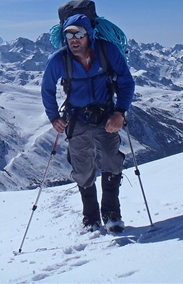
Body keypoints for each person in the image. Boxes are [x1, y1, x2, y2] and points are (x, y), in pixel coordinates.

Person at [41, 13, 135, 233]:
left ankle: (112, 213)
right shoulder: (59, 59)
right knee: (82, 171)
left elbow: (126, 81)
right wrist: (54, 117)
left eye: (79, 34)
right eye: (69, 34)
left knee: (112, 161)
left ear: (89, 34)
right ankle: (90, 217)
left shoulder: (107, 51)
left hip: (106, 116)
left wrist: (120, 112)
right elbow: (47, 88)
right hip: (78, 119)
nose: (74, 39)